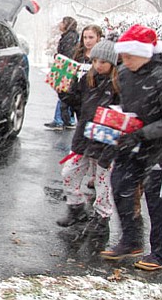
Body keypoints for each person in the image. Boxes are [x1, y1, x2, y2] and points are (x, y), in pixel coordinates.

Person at [99, 24, 162, 271]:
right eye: (122, 56)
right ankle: (131, 240)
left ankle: (159, 252)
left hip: (157, 147)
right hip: (131, 143)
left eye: (129, 56)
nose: (124, 61)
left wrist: (142, 133)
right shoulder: (124, 73)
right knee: (121, 188)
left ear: (145, 52)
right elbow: (120, 106)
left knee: (156, 201)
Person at [56, 40, 119, 243]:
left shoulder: (118, 86)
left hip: (105, 143)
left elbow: (119, 116)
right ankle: (76, 207)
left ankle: (102, 217)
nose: (98, 65)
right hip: (83, 139)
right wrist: (63, 90)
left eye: (103, 61)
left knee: (103, 182)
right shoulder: (87, 80)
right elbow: (77, 102)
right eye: (95, 61)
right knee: (69, 171)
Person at [45, 16, 79, 130]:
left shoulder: (69, 38)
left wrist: (59, 59)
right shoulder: (69, 36)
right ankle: (66, 119)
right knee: (65, 95)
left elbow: (67, 55)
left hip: (66, 69)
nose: (60, 24)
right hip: (65, 67)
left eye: (62, 22)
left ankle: (60, 119)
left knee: (63, 94)